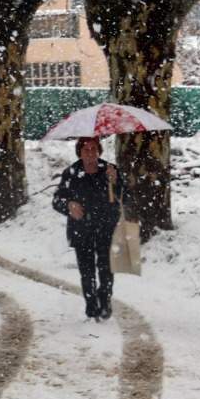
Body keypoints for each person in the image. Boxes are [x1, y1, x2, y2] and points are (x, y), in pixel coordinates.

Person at [51, 136, 123, 321]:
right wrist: (69, 205)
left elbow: (125, 197)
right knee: (87, 270)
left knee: (106, 268)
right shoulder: (72, 173)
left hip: (105, 227)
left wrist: (115, 182)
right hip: (81, 229)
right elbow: (57, 200)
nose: (90, 153)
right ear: (79, 153)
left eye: (94, 149)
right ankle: (91, 305)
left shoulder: (109, 170)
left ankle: (104, 300)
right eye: (86, 150)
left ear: (99, 151)